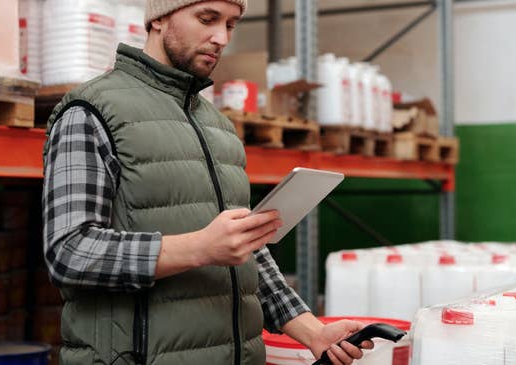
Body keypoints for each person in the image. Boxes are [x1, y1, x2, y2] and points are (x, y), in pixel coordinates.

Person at [42, 0, 373, 364]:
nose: (221, 38)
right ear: (159, 18)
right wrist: (200, 247)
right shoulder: (90, 111)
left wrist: (312, 331)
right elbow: (69, 251)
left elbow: (244, 249)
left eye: (231, 24)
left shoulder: (219, 127)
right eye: (207, 18)